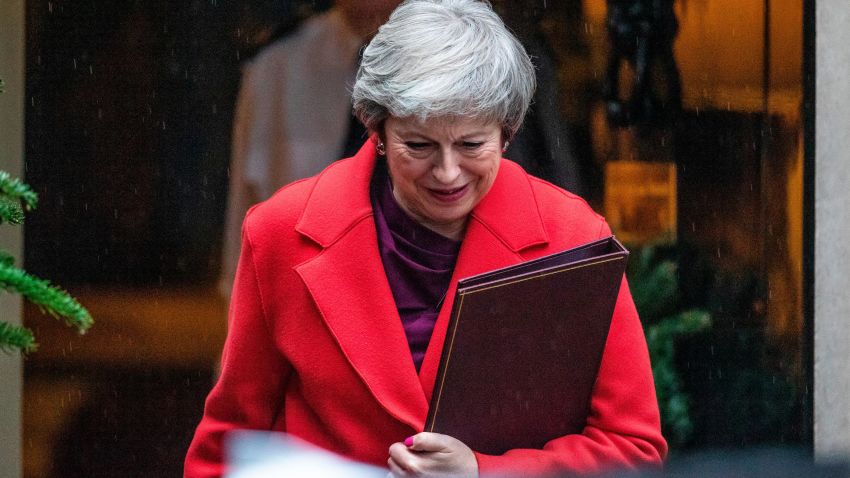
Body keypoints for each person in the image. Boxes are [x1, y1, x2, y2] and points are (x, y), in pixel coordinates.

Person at [185, 1, 667, 476]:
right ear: (376, 129)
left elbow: (632, 447)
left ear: (508, 132)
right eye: (418, 145)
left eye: (471, 144)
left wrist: (485, 471)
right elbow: (229, 444)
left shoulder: (573, 238)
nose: (447, 172)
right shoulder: (280, 233)